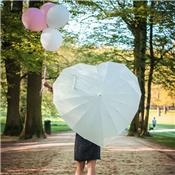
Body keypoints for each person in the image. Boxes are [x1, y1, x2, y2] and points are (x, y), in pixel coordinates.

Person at [43, 80, 101, 175]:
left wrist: (49, 87)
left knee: (80, 166)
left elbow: (64, 98)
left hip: (82, 132)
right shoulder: (99, 99)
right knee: (91, 165)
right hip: (94, 133)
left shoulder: (79, 101)